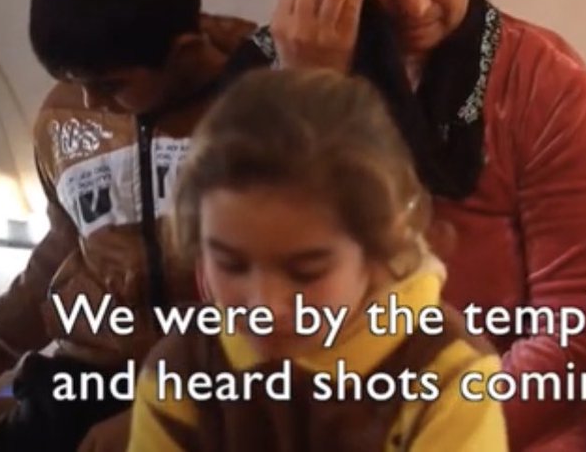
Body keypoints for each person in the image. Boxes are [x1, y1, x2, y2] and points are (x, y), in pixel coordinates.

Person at [263, 0, 586, 449]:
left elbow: (575, 330)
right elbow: (240, 299)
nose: (416, 1)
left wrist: (439, 434)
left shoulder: (543, 83)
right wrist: (309, 96)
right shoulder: (271, 77)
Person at [0, 0, 271, 452]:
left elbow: (290, 301)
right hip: (84, 376)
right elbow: (66, 243)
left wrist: (164, 413)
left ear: (183, 52)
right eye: (73, 80)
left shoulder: (269, 106)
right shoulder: (66, 114)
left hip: (217, 387)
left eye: (109, 84)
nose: (89, 101)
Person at [125, 68, 508, 451]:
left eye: (306, 272)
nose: (266, 306)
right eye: (231, 265)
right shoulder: (180, 372)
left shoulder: (449, 375)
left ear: (379, 250)